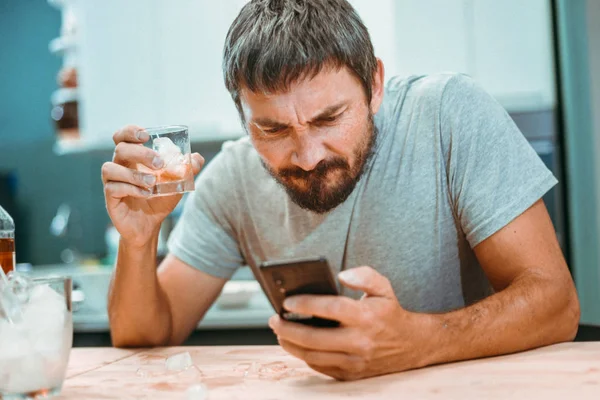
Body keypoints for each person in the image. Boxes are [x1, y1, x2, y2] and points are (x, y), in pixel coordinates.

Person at [101, 0, 580, 381]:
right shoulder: (232, 179)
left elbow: (555, 303)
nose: (307, 156)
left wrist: (420, 340)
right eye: (272, 130)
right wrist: (139, 240)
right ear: (243, 119)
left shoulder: (448, 115)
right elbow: (146, 336)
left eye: (329, 118)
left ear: (374, 84)